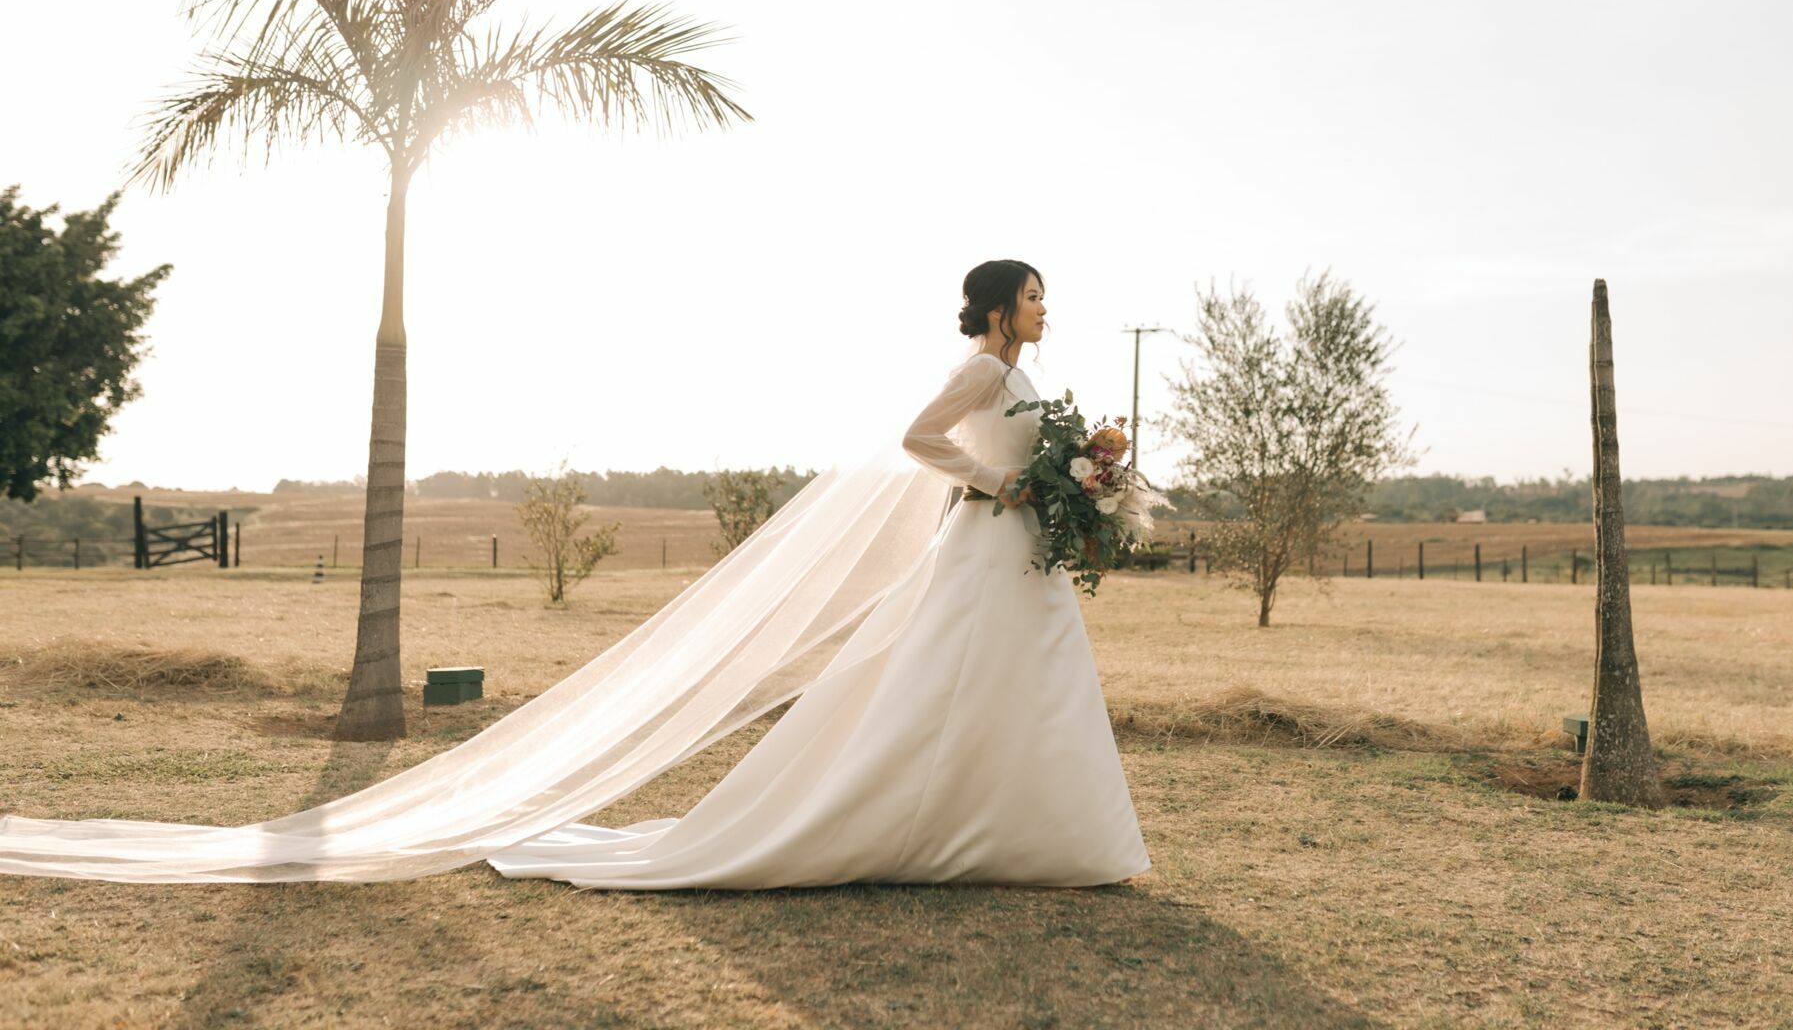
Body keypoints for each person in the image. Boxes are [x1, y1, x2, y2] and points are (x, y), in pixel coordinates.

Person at [0, 260, 1149, 888]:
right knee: (933, 688)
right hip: (986, 542)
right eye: (1038, 292)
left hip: (1025, 561)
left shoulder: (1029, 382)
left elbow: (1023, 454)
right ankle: (905, 818)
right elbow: (916, 438)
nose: (1049, 305)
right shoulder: (976, 370)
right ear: (1001, 306)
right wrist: (1001, 486)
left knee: (1027, 687)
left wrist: (1079, 480)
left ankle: (1028, 830)